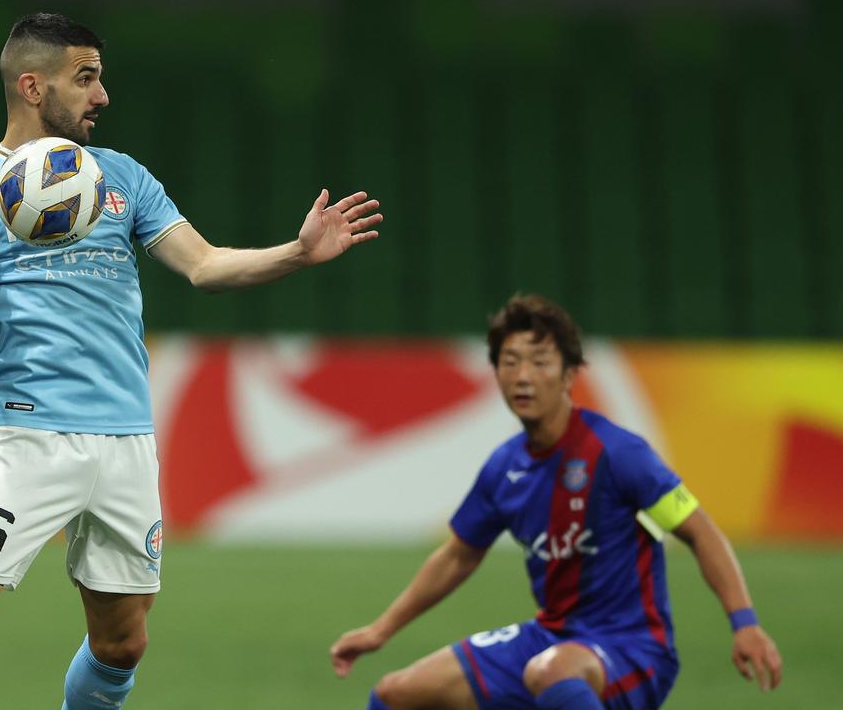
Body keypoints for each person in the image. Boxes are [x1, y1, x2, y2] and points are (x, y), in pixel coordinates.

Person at [0, 12, 383, 710]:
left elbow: (206, 265)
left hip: (124, 442)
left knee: (122, 645)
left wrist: (296, 253)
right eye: (85, 78)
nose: (102, 96)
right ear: (32, 86)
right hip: (29, 441)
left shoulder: (121, 177)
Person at [329, 294, 782, 710]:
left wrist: (744, 622)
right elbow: (456, 557)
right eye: (509, 362)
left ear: (568, 375)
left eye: (539, 362)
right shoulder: (503, 469)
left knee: (550, 672)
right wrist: (380, 629)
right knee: (395, 695)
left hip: (632, 648)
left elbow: (699, 531)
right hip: (552, 636)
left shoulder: (616, 453)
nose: (523, 376)